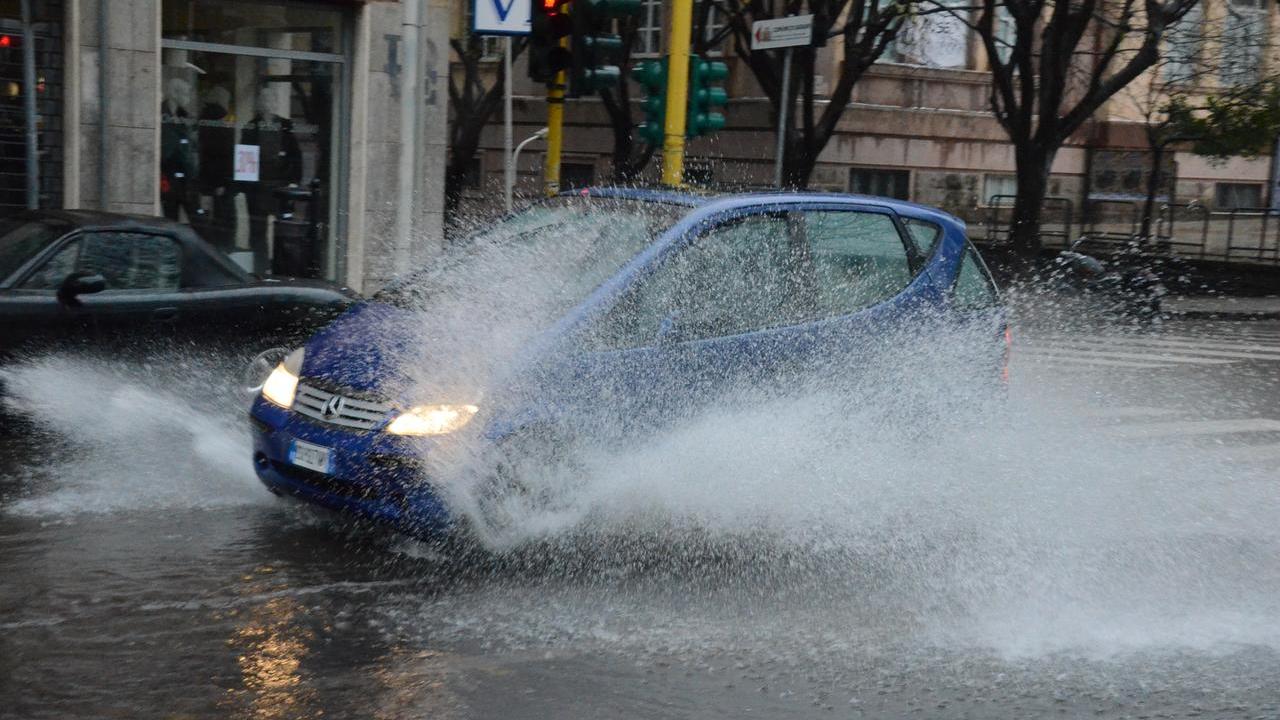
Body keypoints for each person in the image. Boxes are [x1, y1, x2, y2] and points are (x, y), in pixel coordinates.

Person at [239, 84, 302, 274]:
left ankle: (281, 269)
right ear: (260, 103)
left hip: (279, 187)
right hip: (258, 188)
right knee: (257, 232)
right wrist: (245, 185)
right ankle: (260, 269)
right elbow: (245, 158)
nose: (268, 103)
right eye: (265, 100)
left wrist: (294, 180)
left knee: (282, 230)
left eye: (272, 100)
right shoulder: (251, 126)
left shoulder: (285, 125)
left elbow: (295, 155)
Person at [196, 86, 236, 254]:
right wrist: (223, 181)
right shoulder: (220, 121)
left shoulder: (204, 120)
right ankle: (223, 249)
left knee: (209, 216)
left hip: (207, 177)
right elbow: (222, 154)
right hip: (219, 180)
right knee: (224, 217)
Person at [160, 78, 199, 222]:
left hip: (186, 177)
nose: (188, 98)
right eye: (186, 94)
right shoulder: (161, 114)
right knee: (171, 218)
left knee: (196, 219)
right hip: (168, 176)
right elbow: (167, 147)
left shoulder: (185, 116)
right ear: (175, 94)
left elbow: (192, 145)